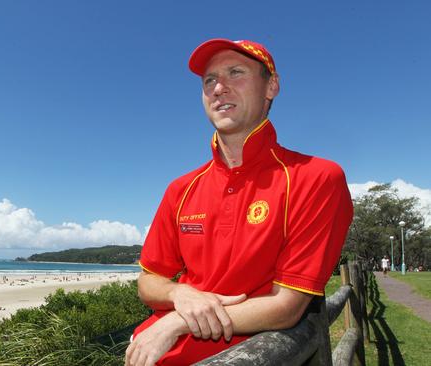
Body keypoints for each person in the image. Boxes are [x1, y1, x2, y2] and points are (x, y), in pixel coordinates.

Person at [125, 38, 353, 366]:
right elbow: (149, 282)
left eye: (235, 73)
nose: (219, 88)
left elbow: (286, 307)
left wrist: (178, 321)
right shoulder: (181, 188)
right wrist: (180, 294)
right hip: (156, 354)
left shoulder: (316, 178)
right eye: (209, 80)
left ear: (271, 86)